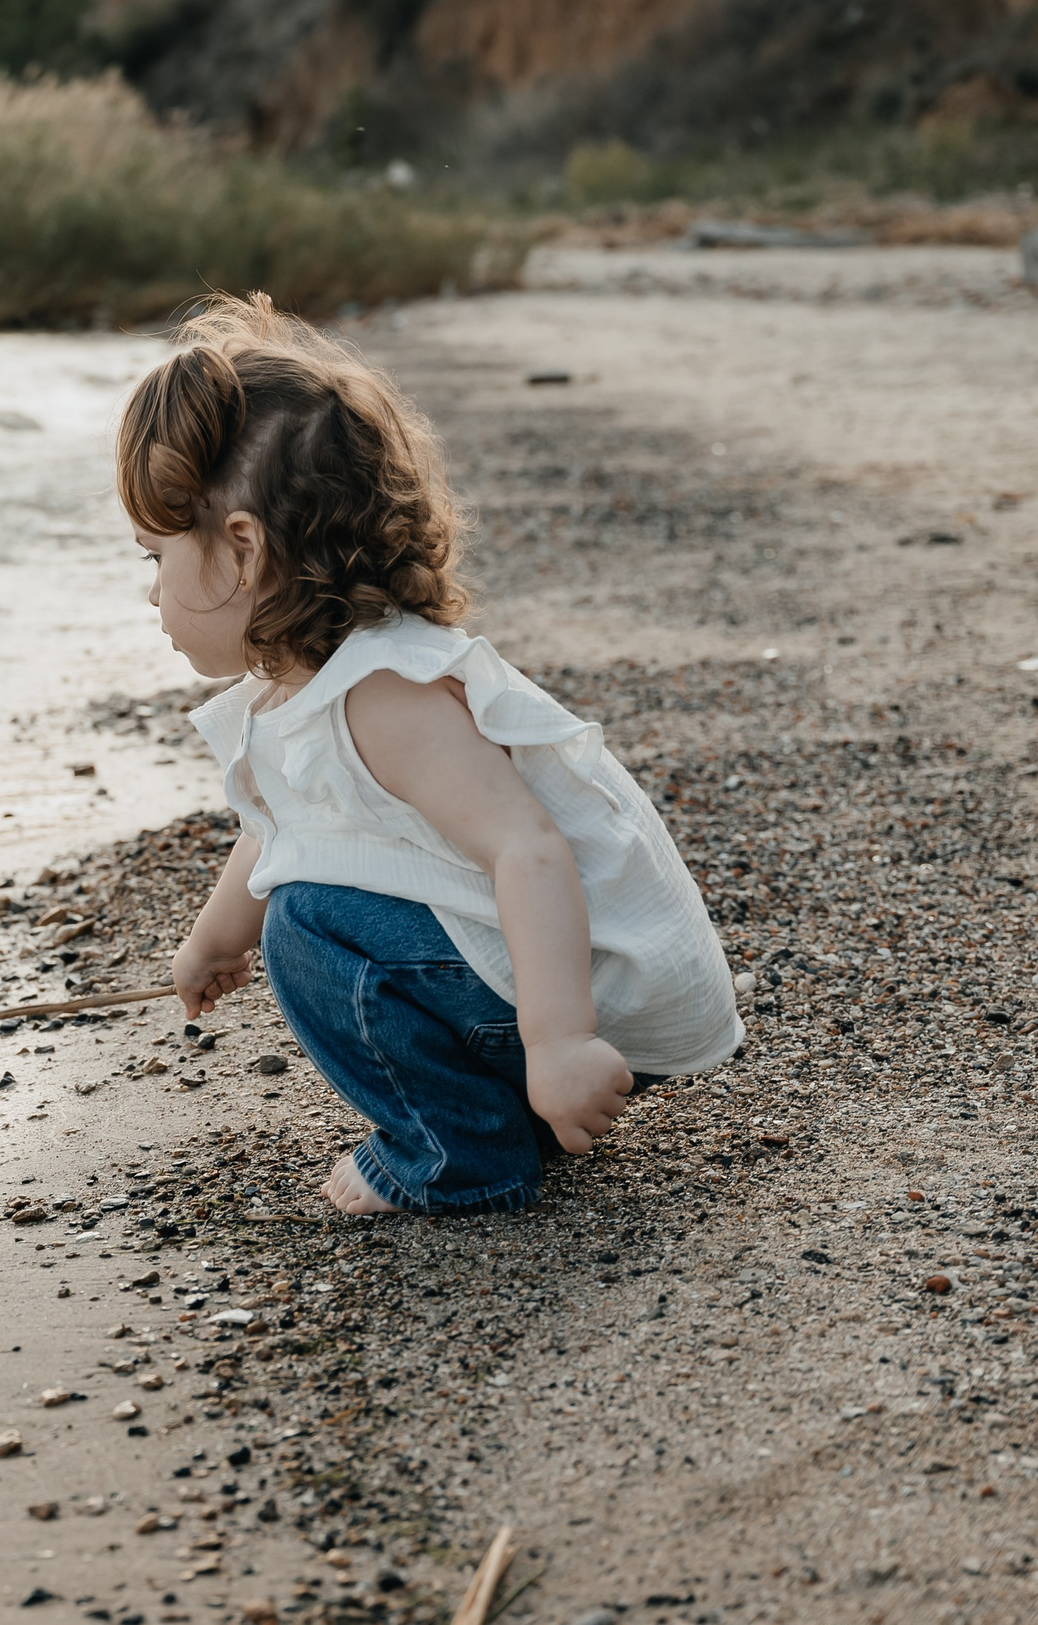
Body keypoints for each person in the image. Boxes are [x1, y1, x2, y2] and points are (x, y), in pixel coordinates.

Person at [122, 295, 740, 1216]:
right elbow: (287, 821)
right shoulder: (318, 680)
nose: (150, 593)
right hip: (554, 981)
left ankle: (460, 1152)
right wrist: (211, 944)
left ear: (243, 550)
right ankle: (506, 1108)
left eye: (155, 558)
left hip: (589, 996)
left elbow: (528, 848)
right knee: (306, 896)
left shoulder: (386, 695)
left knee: (307, 924)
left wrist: (561, 1043)